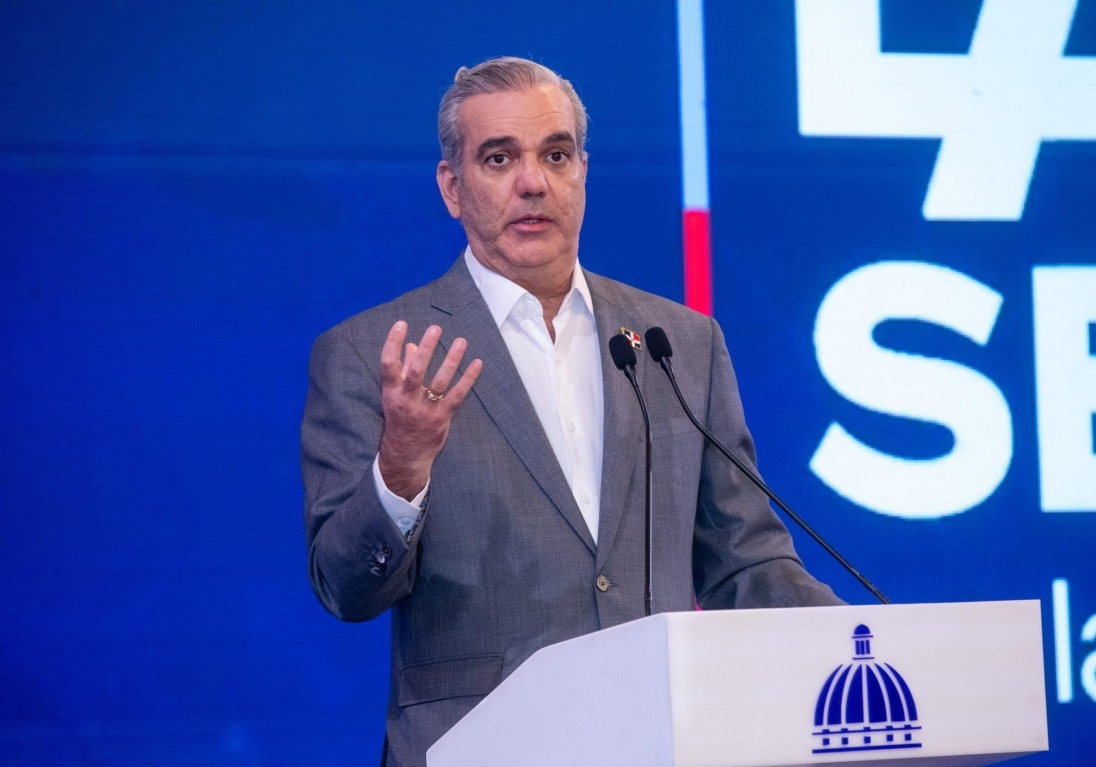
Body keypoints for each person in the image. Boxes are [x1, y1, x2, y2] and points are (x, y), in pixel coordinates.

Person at [301, 56, 842, 767]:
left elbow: (745, 561)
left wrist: (862, 646)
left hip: (659, 743)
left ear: (582, 172)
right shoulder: (374, 352)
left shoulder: (679, 343)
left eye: (555, 154)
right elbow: (345, 589)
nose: (533, 181)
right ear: (452, 187)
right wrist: (400, 467)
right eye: (499, 158)